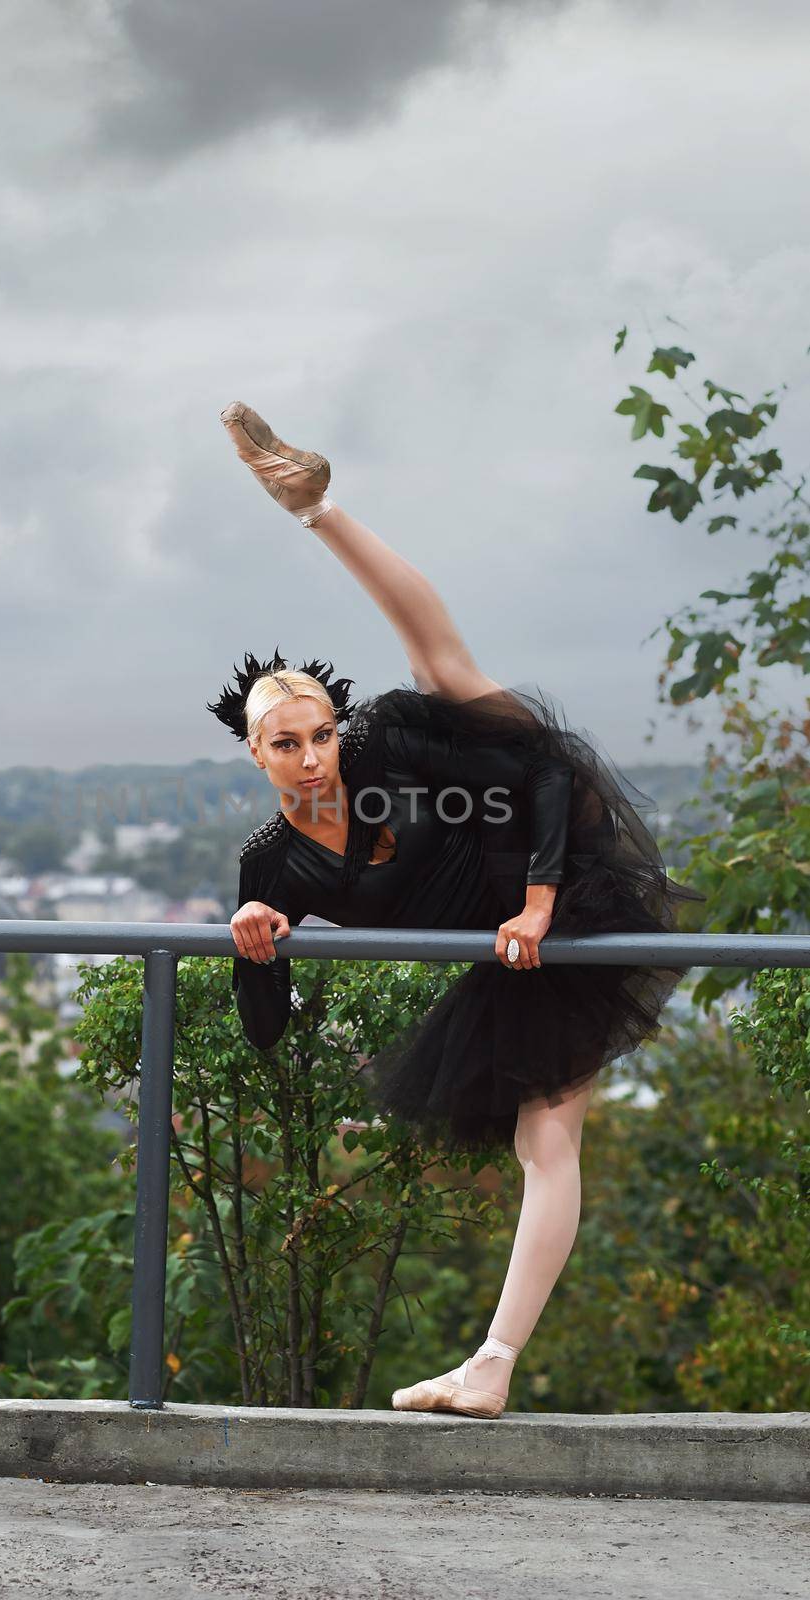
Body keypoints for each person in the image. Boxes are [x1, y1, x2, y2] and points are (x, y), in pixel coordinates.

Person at [208, 402, 704, 1419]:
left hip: (567, 874)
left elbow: (549, 777)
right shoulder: (272, 862)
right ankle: (490, 1365)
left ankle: (318, 509)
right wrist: (255, 950)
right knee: (545, 1139)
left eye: (316, 734)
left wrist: (535, 905)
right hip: (507, 929)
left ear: (333, 728)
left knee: (444, 673)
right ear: (254, 756)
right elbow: (266, 1032)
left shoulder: (383, 742)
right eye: (283, 744)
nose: (308, 756)